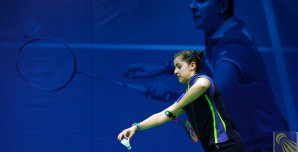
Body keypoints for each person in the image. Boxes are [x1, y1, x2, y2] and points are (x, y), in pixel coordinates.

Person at [123, 0, 288, 151]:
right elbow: (209, 63)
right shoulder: (221, 31)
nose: (192, 5)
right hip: (269, 134)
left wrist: (172, 95)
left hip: (268, 143)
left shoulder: (234, 44)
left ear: (222, 6)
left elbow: (214, 92)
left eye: (201, 0)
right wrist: (160, 69)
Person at [118, 50, 244, 152]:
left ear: (192, 65)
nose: (175, 71)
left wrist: (175, 107)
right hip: (216, 147)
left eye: (179, 67)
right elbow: (162, 115)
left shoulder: (202, 79)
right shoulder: (186, 96)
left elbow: (202, 85)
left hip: (226, 144)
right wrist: (136, 127)